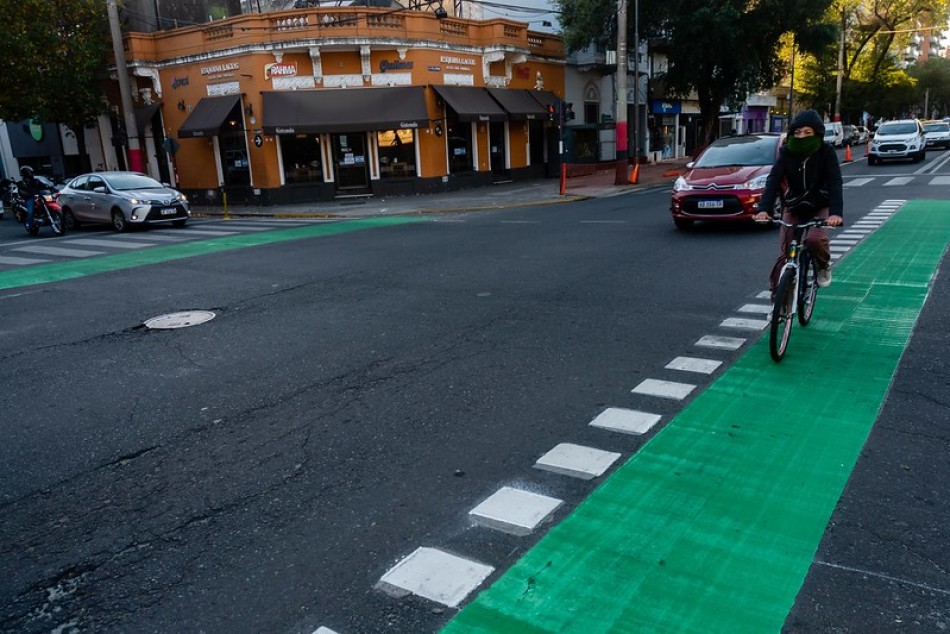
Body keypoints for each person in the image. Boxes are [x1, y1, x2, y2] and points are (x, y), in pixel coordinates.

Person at [754, 109, 843, 298]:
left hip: (820, 204)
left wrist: (835, 213)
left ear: (817, 133)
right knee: (785, 255)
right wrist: (763, 209)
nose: (801, 136)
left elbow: (835, 181)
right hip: (794, 204)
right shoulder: (786, 152)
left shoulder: (826, 151)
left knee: (814, 239)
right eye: (798, 132)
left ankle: (823, 266)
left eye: (807, 132)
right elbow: (773, 180)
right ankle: (778, 299)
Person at [17, 165, 42, 231]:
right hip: (30, 198)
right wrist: (28, 194)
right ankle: (30, 226)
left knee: (49, 200)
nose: (31, 173)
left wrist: (50, 187)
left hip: (39, 196)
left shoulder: (35, 180)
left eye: (31, 172)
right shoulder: (21, 183)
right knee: (30, 211)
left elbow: (43, 186)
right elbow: (21, 191)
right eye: (29, 172)